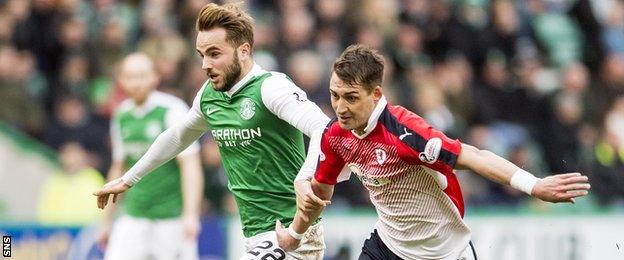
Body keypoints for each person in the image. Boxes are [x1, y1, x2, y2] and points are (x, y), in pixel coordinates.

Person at [276, 45, 591, 260]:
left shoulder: (406, 133)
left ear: (375, 94)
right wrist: (294, 234)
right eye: (334, 95)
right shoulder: (336, 136)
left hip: (445, 252)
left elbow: (475, 156)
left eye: (351, 97)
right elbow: (318, 195)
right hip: (387, 247)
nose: (340, 108)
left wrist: (533, 185)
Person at [93, 3, 329, 259]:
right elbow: (176, 137)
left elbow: (323, 128)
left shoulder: (271, 88)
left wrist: (305, 177)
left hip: (293, 232)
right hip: (255, 233)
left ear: (244, 51)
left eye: (215, 54)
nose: (205, 64)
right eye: (202, 55)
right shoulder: (210, 96)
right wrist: (129, 179)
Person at [97, 53, 204, 260]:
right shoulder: (121, 115)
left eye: (142, 76)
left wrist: (191, 215)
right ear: (121, 81)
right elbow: (119, 167)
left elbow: (190, 165)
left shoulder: (172, 109)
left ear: (155, 77)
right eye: (130, 76)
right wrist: (106, 222)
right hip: (134, 216)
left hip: (171, 218)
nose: (136, 82)